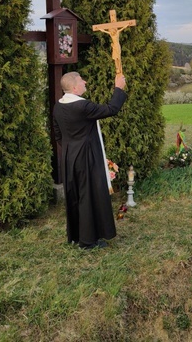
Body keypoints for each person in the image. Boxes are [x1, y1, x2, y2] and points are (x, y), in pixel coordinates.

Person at [53, 71, 127, 249]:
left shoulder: (58, 106)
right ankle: (87, 241)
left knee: (76, 195)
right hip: (86, 157)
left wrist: (72, 148)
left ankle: (78, 235)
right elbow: (111, 109)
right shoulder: (82, 106)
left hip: (69, 157)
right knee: (88, 196)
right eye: (81, 80)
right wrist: (119, 88)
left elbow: (58, 135)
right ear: (74, 87)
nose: (85, 81)